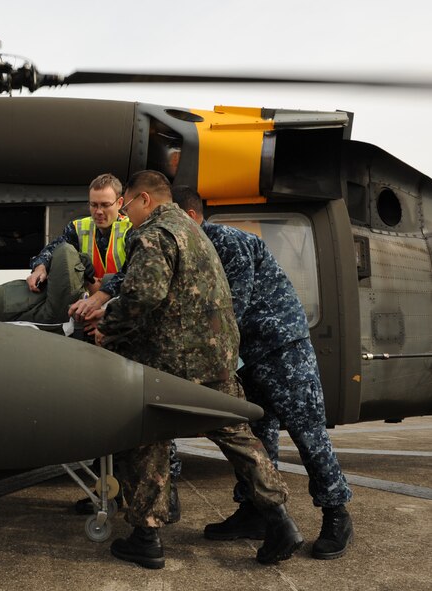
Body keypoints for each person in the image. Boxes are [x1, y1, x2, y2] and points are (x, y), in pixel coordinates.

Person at [95, 170, 302, 569]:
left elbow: (143, 295)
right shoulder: (194, 230)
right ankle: (280, 520)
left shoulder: (153, 232)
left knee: (146, 439)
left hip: (174, 363)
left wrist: (108, 326)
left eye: (125, 205)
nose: (124, 214)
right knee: (237, 436)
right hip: (218, 357)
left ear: (142, 200)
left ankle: (147, 536)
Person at [172, 185, 353, 560]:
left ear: (190, 217)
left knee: (307, 432)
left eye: (170, 220)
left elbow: (229, 310)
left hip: (280, 347)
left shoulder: (229, 242)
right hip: (247, 355)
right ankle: (255, 512)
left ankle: (337, 514)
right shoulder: (190, 252)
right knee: (258, 438)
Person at [26, 173, 132, 322]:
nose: (99, 212)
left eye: (105, 205)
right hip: (84, 306)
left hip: (119, 306)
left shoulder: (132, 230)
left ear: (120, 203)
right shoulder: (78, 227)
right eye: (94, 205)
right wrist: (40, 267)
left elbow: (135, 275)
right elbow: (52, 249)